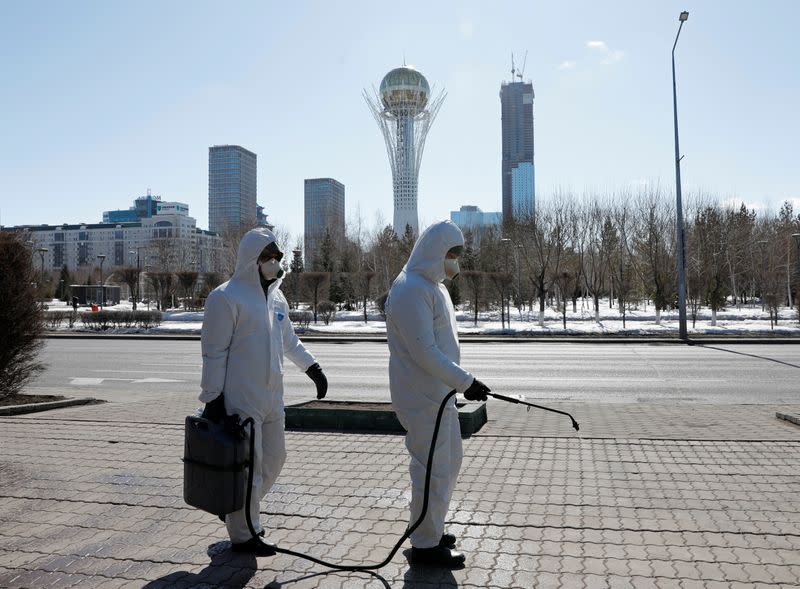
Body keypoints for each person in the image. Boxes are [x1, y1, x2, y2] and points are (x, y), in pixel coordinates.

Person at [199, 227, 328, 556]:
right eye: (267, 258)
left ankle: (237, 509)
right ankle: (244, 533)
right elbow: (214, 353)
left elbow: (289, 341)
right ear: (251, 260)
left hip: (273, 396)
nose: (274, 263)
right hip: (241, 398)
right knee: (251, 466)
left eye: (276, 257)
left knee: (275, 459)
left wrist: (312, 368)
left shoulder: (276, 298)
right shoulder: (225, 297)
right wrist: (213, 398)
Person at [385, 220, 491, 569]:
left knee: (448, 464)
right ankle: (425, 546)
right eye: (451, 253)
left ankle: (431, 526)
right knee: (431, 468)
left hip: (440, 395)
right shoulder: (410, 289)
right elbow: (424, 351)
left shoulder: (433, 287)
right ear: (434, 252)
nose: (456, 260)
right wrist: (466, 381)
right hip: (421, 397)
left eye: (459, 254)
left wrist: (458, 384)